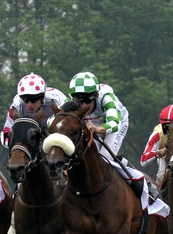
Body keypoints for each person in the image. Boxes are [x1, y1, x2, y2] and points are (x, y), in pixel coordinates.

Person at [64, 71, 150, 200]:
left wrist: (97, 128)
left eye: (86, 100)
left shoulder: (106, 96)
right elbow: (52, 120)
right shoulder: (69, 101)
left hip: (116, 123)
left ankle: (139, 180)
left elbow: (114, 123)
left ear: (96, 96)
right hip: (92, 124)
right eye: (78, 101)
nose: (82, 106)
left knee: (105, 157)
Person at [0, 73, 66, 147]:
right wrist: (7, 136)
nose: (29, 105)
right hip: (30, 133)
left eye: (33, 100)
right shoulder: (17, 104)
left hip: (54, 130)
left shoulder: (57, 99)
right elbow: (9, 124)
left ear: (42, 97)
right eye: (25, 100)